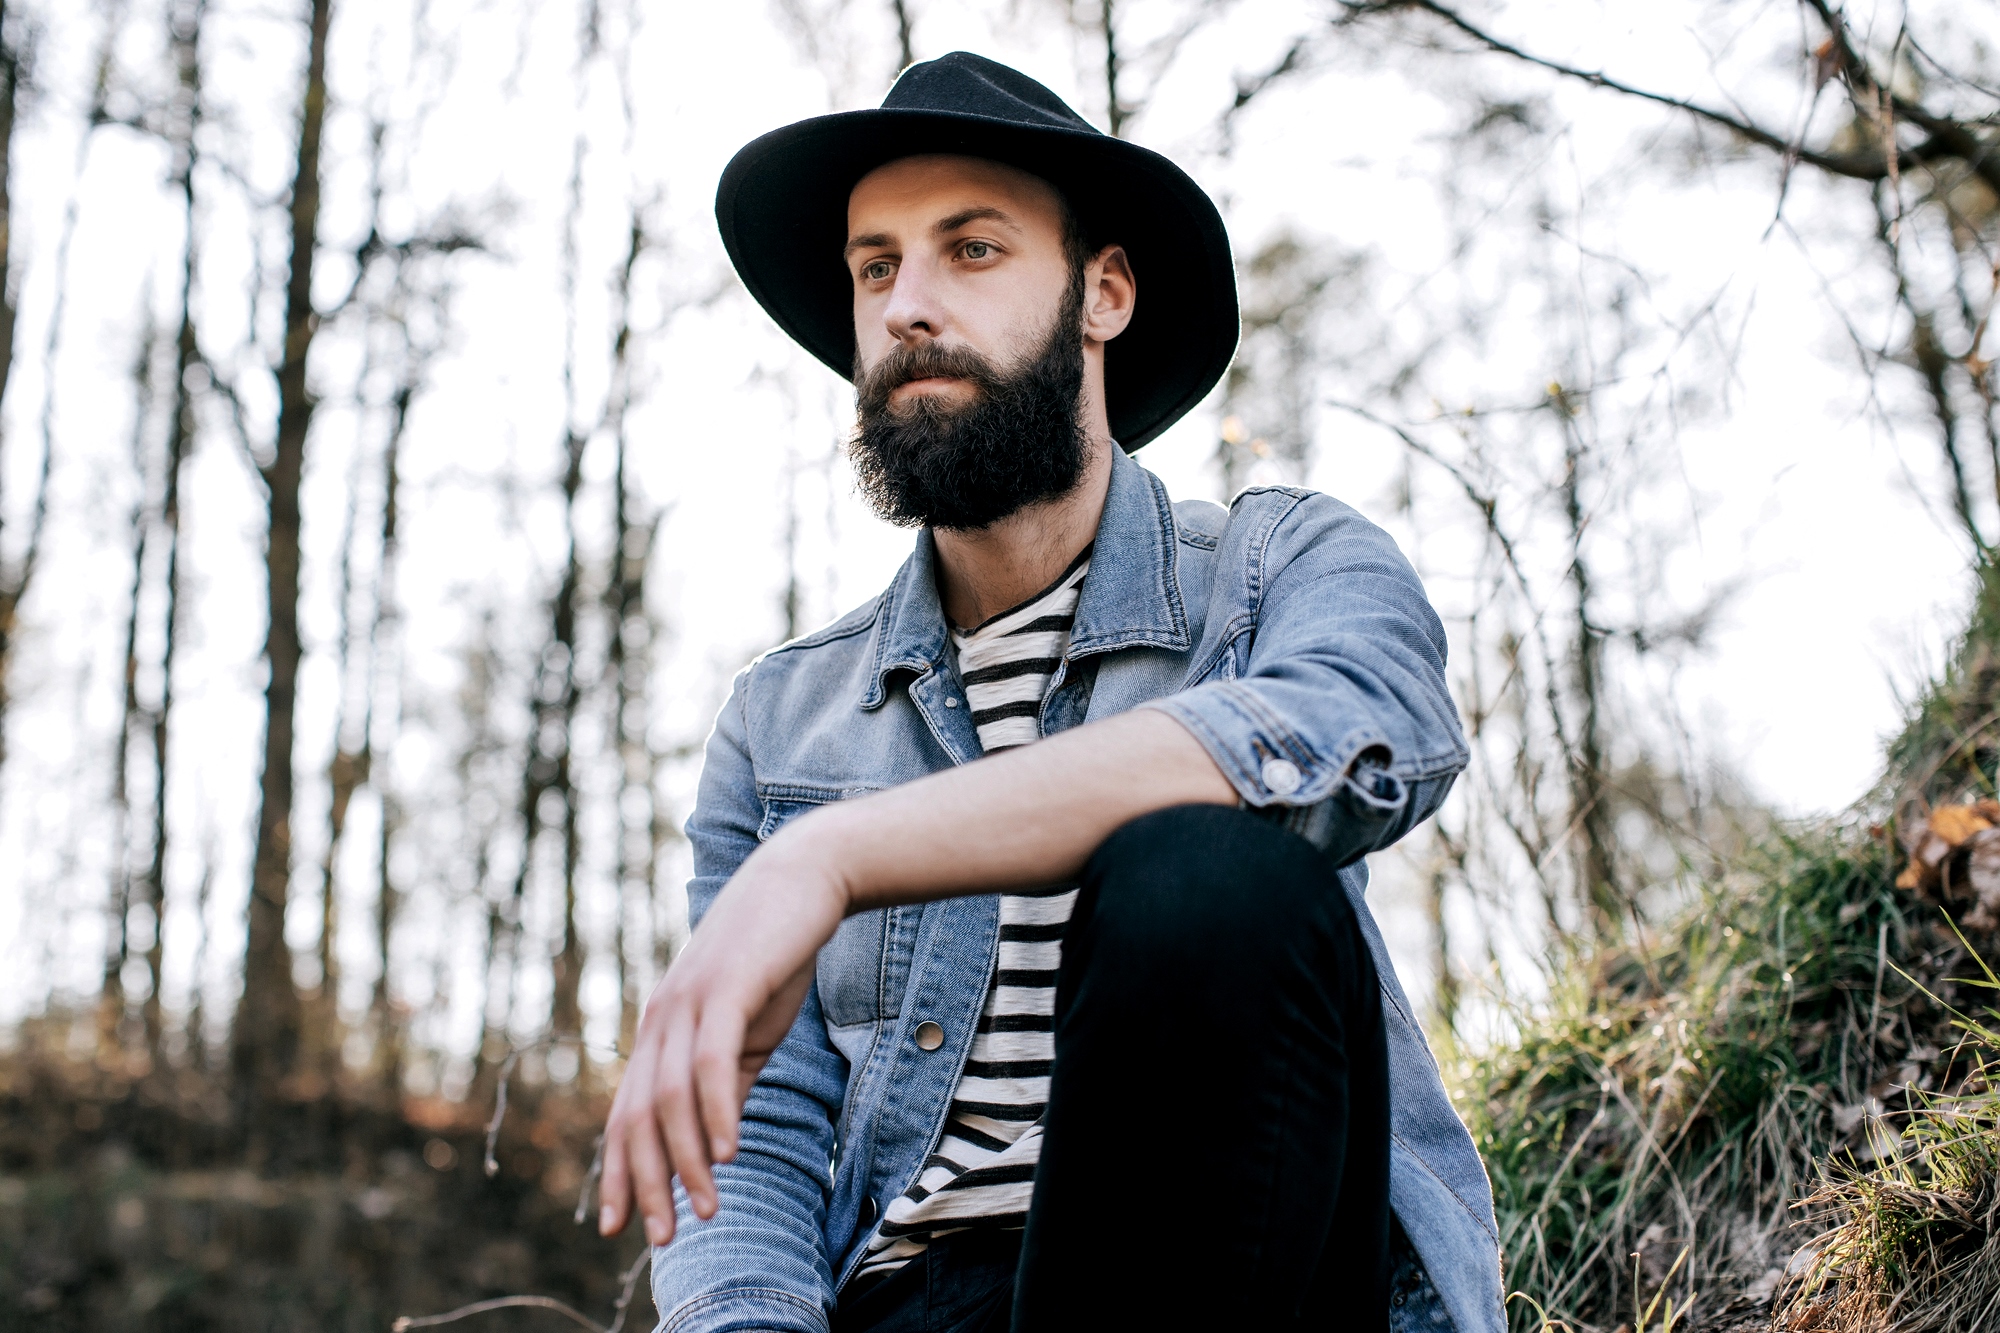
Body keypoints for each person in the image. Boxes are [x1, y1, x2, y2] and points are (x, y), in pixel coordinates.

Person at [597, 52, 1504, 1333]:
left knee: (1207, 875)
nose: (906, 303)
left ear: (1104, 292)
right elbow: (751, 1136)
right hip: (905, 1302)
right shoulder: (781, 722)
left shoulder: (1278, 572)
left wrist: (837, 859)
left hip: (1240, 1266)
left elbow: (1357, 733)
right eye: (874, 266)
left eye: (970, 250)